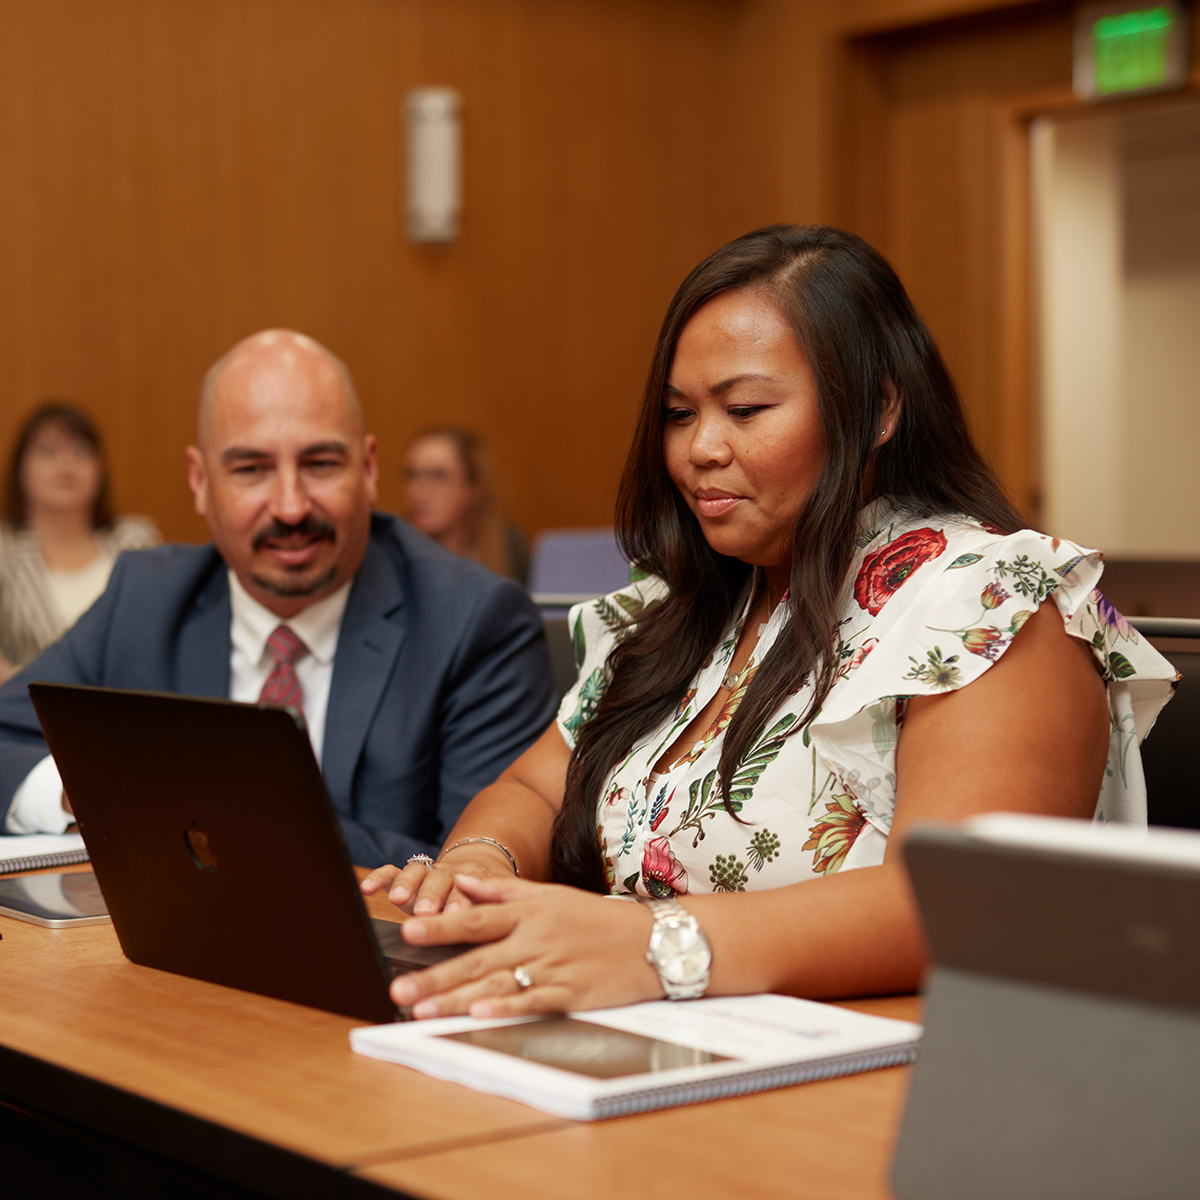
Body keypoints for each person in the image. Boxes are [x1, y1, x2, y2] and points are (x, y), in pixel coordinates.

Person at [362, 224, 1175, 1017]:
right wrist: (474, 872)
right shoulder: (678, 608)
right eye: (679, 414)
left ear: (878, 407)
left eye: (745, 409)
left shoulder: (990, 600)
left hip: (886, 1086)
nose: (699, 449)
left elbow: (958, 905)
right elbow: (534, 786)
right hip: (670, 1051)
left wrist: (653, 946)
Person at [0, 331, 557, 860]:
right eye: (251, 468)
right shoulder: (145, 597)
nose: (291, 507)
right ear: (200, 481)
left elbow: (483, 866)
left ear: (367, 468)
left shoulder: (474, 622)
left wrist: (203, 813)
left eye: (320, 464)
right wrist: (88, 792)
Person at [0, 403, 159, 682]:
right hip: (26, 711)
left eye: (80, 452)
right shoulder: (4, 551)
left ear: (100, 469)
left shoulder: (135, 539)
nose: (65, 464)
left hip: (129, 708)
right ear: (20, 469)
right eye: (48, 452)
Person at [403, 428, 529, 584]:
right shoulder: (390, 551)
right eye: (413, 475)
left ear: (473, 488)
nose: (420, 490)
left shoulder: (509, 549)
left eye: (438, 475)